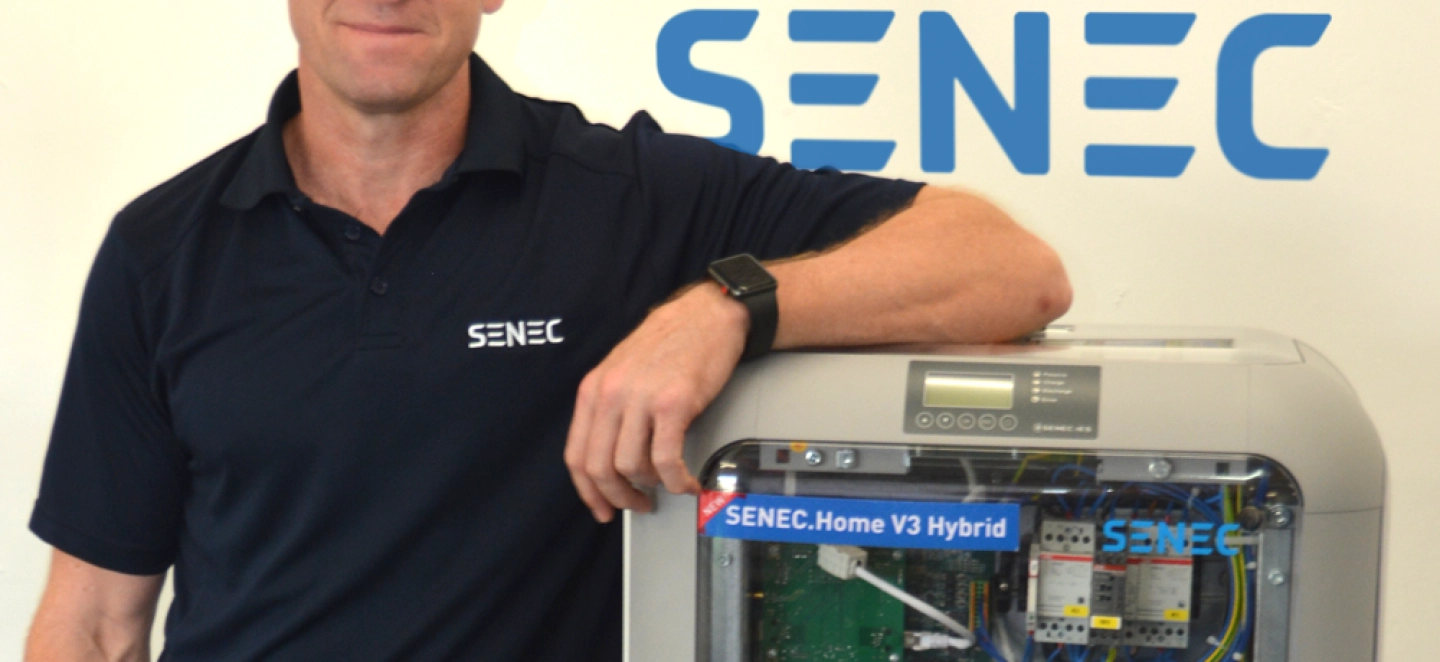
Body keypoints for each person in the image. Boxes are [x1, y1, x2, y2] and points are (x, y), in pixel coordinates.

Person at [24, 1, 1071, 660]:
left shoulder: (634, 198)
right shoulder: (162, 250)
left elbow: (1014, 271)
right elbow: (95, 622)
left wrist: (727, 307)